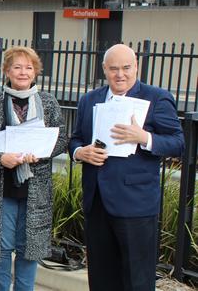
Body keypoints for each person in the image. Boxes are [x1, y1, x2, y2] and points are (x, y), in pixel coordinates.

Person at [69, 44, 184, 290]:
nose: (120, 74)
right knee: (100, 278)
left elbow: (178, 143)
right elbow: (76, 138)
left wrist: (144, 137)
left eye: (126, 68)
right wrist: (81, 152)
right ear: (104, 70)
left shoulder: (157, 97)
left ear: (136, 67)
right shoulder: (89, 99)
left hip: (136, 204)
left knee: (137, 280)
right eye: (113, 69)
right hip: (97, 201)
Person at [0, 46, 68, 291]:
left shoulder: (48, 102)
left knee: (30, 247)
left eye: (28, 67)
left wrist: (42, 152)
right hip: (2, 187)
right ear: (7, 70)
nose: (23, 72)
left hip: (35, 187)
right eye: (17, 67)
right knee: (0, 248)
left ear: (36, 72)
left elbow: (62, 139)